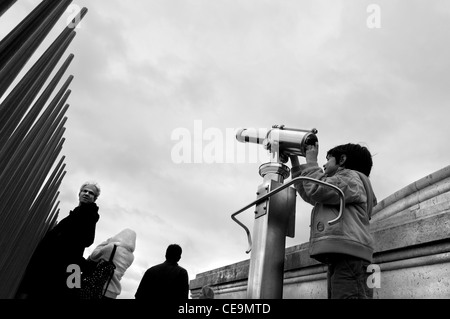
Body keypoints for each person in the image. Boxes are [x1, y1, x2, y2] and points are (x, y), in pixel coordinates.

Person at [289, 142, 377, 299]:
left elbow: (317, 190)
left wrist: (311, 161)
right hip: (348, 257)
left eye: (328, 159)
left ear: (342, 160)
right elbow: (309, 192)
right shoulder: (343, 186)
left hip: (351, 259)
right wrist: (294, 162)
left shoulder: (351, 179)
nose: (323, 164)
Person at [16, 181, 101, 299]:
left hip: (57, 267)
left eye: (91, 193)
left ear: (95, 198)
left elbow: (87, 240)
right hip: (59, 265)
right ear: (79, 193)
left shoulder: (88, 214)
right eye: (84, 191)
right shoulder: (79, 213)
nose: (86, 194)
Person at [86, 228, 136, 299]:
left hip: (99, 287)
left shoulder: (111, 247)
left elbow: (93, 256)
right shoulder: (131, 257)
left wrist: (107, 241)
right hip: (114, 292)